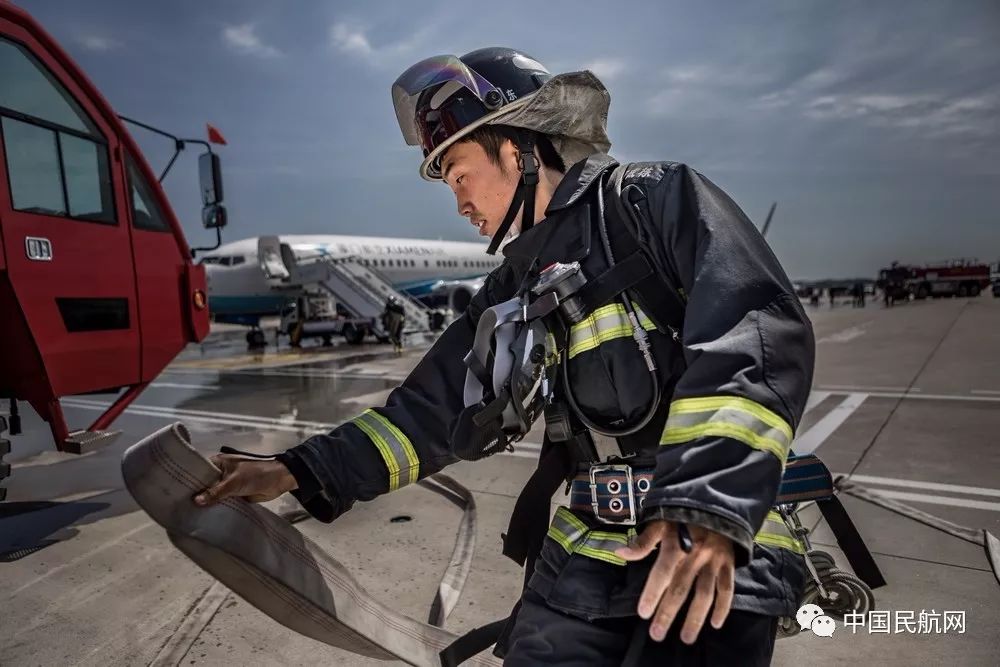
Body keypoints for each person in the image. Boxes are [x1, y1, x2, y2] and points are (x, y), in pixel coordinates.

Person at [194, 48, 816, 666]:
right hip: (589, 557)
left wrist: (708, 503)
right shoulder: (514, 286)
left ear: (517, 149)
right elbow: (428, 414)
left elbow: (752, 333)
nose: (459, 201)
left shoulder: (652, 202)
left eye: (460, 173)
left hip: (710, 547)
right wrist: (297, 469)